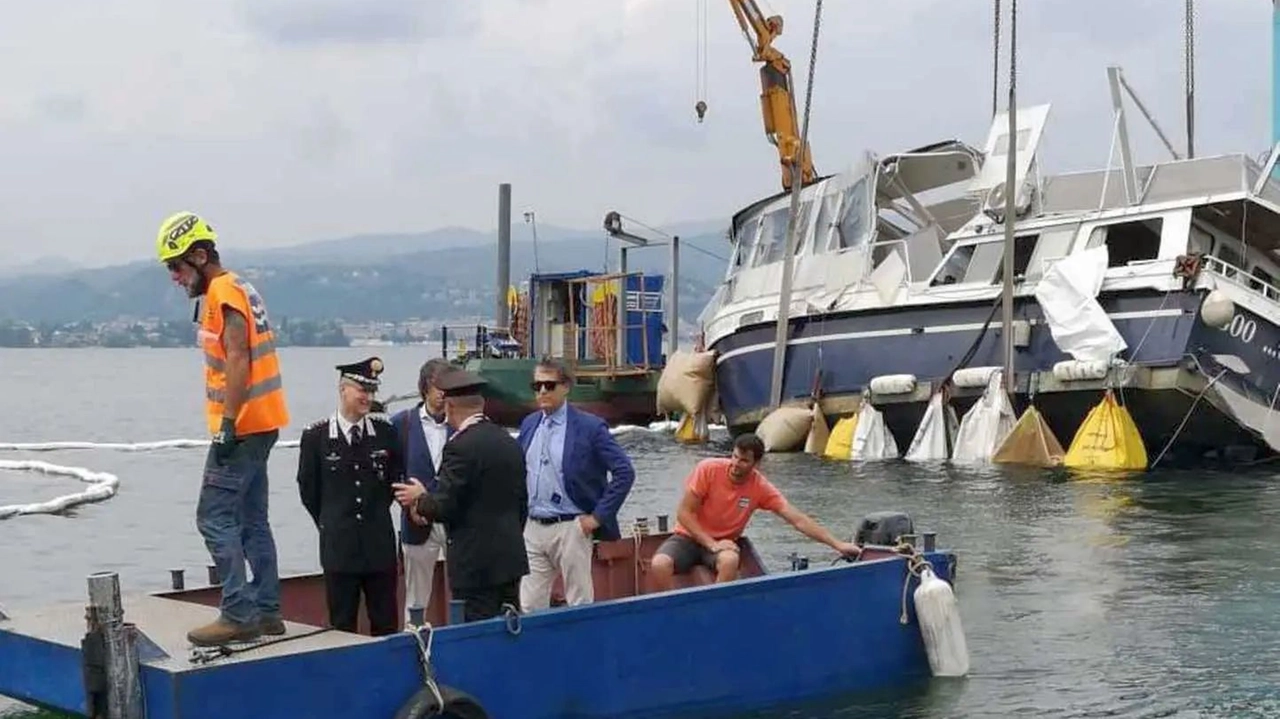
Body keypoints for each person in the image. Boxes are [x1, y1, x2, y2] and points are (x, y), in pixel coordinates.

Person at [156, 211, 290, 647]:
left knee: (212, 517)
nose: (175, 277)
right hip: (263, 422)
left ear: (198, 255)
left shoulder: (223, 290)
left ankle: (237, 612)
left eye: (176, 266)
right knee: (252, 517)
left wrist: (227, 424)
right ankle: (268, 610)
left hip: (243, 426)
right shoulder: (242, 287)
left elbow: (237, 357)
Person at [392, 369, 529, 622]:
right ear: (482, 405)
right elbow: (522, 504)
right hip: (510, 560)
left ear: (451, 407)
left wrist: (420, 498)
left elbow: (444, 506)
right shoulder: (509, 442)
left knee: (478, 634)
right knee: (509, 627)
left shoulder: (460, 447)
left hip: (475, 566)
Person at [649, 433, 863, 591]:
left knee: (730, 561)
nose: (735, 464)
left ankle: (714, 612)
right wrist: (711, 543)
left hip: (723, 543)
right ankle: (674, 612)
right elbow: (684, 514)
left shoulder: (760, 487)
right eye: (734, 457)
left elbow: (797, 519)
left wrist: (838, 544)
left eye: (743, 461)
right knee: (660, 564)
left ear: (756, 464)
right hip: (689, 537)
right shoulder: (708, 469)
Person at [515, 356, 635, 612]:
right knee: (528, 606)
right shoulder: (529, 425)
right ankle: (538, 651)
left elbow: (624, 472)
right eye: (537, 386)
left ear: (566, 386)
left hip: (571, 526)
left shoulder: (590, 427)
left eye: (549, 385)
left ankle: (582, 651)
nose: (543, 391)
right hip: (533, 527)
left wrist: (597, 518)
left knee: (579, 603)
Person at [297, 357, 403, 636]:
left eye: (372, 391)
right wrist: (333, 521)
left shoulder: (385, 433)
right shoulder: (316, 437)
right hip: (339, 548)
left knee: (386, 622)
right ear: (343, 389)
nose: (368, 397)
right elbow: (309, 490)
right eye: (362, 390)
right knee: (342, 625)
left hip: (378, 546)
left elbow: (393, 481)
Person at [389, 358, 453, 624]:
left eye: (448, 388)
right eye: (437, 387)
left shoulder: (461, 424)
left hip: (453, 519)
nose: (442, 394)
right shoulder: (402, 424)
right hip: (417, 522)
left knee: (463, 590)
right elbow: (394, 473)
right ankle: (414, 641)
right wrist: (409, 505)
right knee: (415, 598)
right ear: (425, 388)